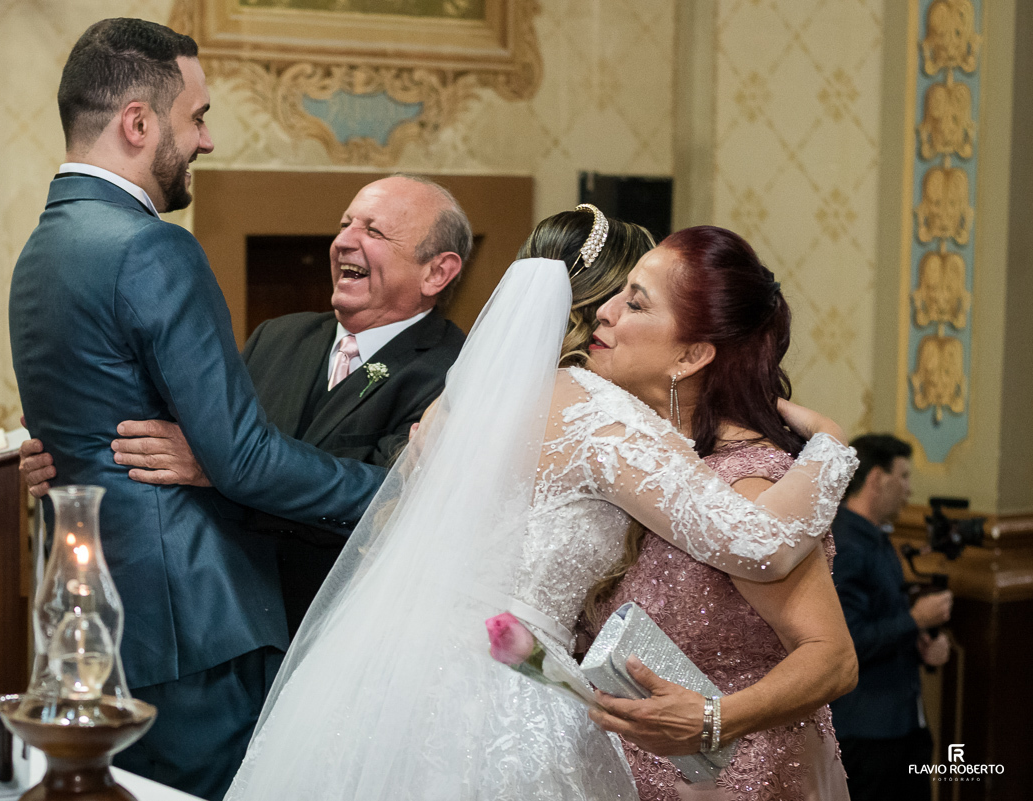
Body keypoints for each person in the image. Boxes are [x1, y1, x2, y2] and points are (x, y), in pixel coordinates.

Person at [225, 208, 860, 800]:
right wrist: (832, 447)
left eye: (636, 303)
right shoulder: (596, 412)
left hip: (385, 675)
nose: (613, 314)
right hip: (499, 696)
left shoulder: (468, 402)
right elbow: (759, 543)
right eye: (620, 295)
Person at [7, 19, 384, 801]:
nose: (206, 141)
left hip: (96, 621)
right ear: (138, 123)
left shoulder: (40, 250)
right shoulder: (152, 247)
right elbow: (242, 458)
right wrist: (400, 490)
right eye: (198, 117)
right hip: (194, 625)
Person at [21, 173, 471, 636]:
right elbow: (176, 439)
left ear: (437, 272)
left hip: (344, 629)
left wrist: (221, 465)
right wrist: (72, 447)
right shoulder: (278, 335)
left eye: (373, 232)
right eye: (344, 225)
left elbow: (391, 501)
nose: (342, 242)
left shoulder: (457, 373)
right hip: (232, 616)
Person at [581, 226, 857, 801]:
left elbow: (833, 659)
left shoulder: (747, 482)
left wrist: (714, 719)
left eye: (634, 302)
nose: (602, 313)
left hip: (730, 780)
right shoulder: (633, 459)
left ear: (690, 355)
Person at [830, 434, 951, 801]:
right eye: (904, 477)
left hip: (902, 721)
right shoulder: (846, 546)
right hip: (868, 731)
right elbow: (847, 643)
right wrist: (915, 620)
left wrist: (923, 647)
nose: (909, 490)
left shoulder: (878, 539)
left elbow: (884, 619)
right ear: (877, 478)